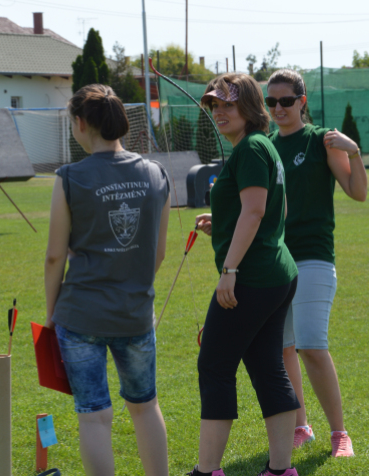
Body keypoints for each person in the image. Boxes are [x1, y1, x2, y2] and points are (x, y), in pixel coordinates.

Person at [44, 84, 171, 476]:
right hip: (135, 314)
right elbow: (158, 252)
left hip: (80, 317)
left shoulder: (69, 176)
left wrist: (52, 316)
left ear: (81, 124)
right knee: (145, 406)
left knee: (93, 417)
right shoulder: (156, 173)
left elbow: (53, 257)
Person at [187, 73, 300, 476]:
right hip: (275, 274)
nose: (219, 111)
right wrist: (222, 222)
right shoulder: (259, 147)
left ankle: (207, 470)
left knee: (214, 366)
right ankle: (281, 470)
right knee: (268, 367)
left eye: (227, 104)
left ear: (249, 108)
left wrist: (230, 269)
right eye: (214, 105)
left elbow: (256, 212)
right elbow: (273, 212)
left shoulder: (251, 148)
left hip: (253, 278)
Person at [265, 68, 367, 457]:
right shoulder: (266, 145)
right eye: (271, 101)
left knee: (311, 345)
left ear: (302, 102)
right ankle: (300, 426)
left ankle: (339, 433)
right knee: (284, 348)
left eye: (286, 100)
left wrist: (353, 149)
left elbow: (357, 192)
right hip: (276, 260)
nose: (278, 108)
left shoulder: (323, 140)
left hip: (313, 257)